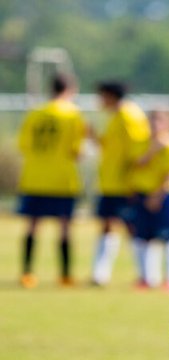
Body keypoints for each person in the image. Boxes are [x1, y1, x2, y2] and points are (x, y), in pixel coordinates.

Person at [16, 73, 86, 288]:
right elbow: (76, 151)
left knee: (32, 226)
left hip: (34, 177)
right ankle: (65, 276)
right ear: (70, 89)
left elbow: (23, 145)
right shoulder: (73, 114)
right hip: (62, 179)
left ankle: (27, 274)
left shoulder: (35, 113)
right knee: (64, 227)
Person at [90, 81, 150, 286]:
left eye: (102, 96)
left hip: (125, 184)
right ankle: (100, 274)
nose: (100, 101)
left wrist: (133, 181)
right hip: (109, 182)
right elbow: (111, 146)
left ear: (110, 95)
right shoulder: (115, 116)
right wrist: (93, 137)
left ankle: (146, 275)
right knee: (107, 225)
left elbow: (138, 150)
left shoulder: (129, 115)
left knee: (133, 227)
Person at [129, 108, 169, 293]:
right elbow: (137, 164)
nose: (155, 125)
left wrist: (157, 195)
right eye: (152, 121)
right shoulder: (143, 142)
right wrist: (153, 149)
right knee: (143, 237)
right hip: (143, 194)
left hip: (166, 196)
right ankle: (147, 278)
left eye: (160, 121)